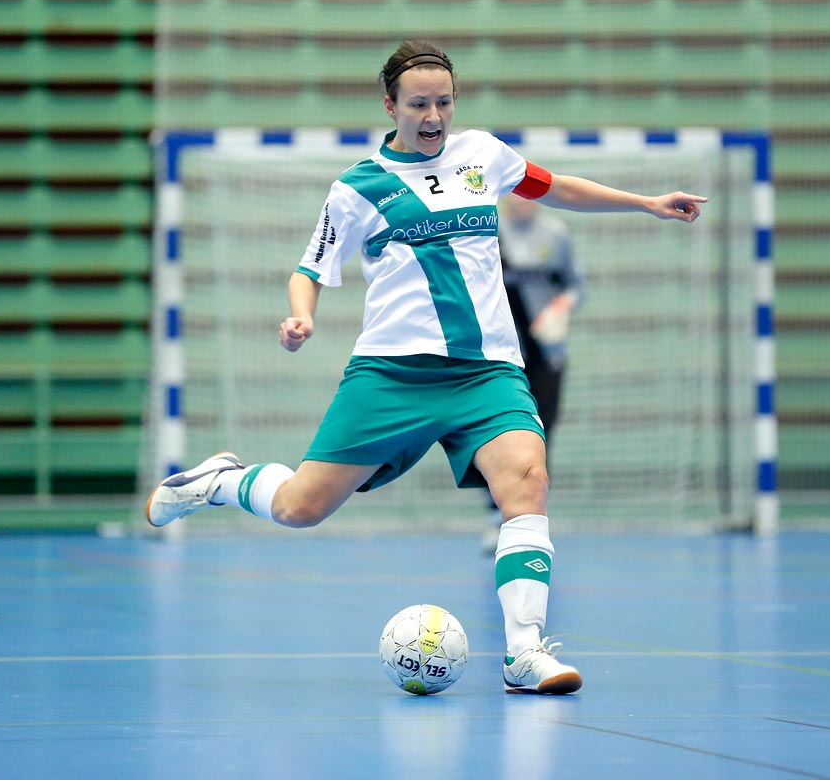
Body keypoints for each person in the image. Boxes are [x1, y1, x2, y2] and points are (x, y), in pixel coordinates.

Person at [145, 39, 708, 696]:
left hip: (486, 372)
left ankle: (524, 653)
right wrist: (302, 316)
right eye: (419, 103)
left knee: (527, 479)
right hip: (393, 375)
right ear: (390, 106)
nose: (434, 114)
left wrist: (644, 203)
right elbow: (310, 269)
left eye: (444, 101)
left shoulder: (483, 158)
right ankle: (220, 481)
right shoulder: (358, 188)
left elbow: (556, 188)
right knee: (301, 507)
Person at [482, 193, 583, 548]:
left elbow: (576, 287)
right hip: (500, 355)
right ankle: (497, 516)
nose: (520, 201)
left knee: (541, 433)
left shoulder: (556, 234)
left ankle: (529, 519)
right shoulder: (486, 231)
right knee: (494, 434)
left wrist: (561, 308)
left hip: (546, 352)